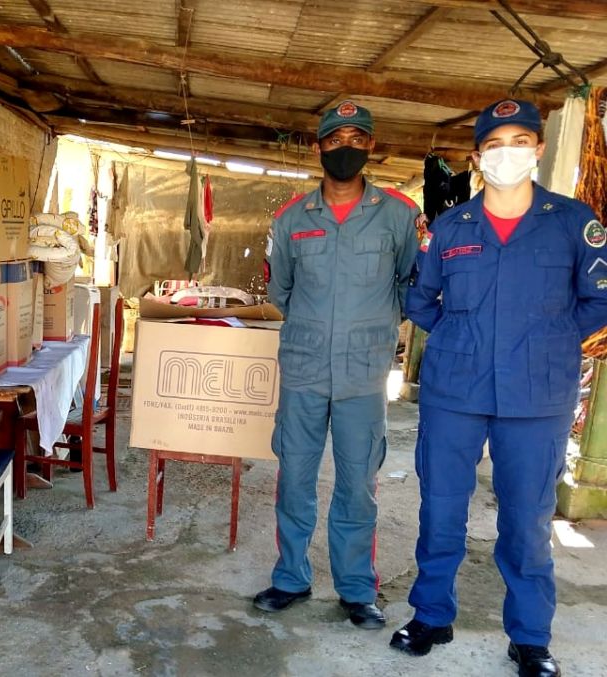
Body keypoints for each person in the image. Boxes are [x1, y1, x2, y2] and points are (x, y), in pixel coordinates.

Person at [392, 99, 607, 677]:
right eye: (494, 144)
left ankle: (531, 638)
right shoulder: (450, 227)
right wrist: (466, 339)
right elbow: (420, 301)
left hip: (537, 397)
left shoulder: (571, 221)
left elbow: (599, 299)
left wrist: (549, 341)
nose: (506, 152)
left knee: (528, 521)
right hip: (454, 391)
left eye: (519, 140)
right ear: (478, 156)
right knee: (440, 510)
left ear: (538, 149)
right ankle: (431, 615)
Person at [255, 101, 420, 629]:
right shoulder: (290, 219)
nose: (345, 145)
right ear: (319, 146)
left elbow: (406, 284)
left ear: (371, 145)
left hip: (364, 376)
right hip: (304, 370)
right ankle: (290, 579)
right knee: (295, 479)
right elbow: (281, 288)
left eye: (356, 136)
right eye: (335, 137)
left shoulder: (398, 214)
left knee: (358, 484)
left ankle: (356, 589)